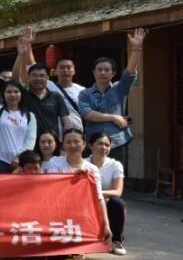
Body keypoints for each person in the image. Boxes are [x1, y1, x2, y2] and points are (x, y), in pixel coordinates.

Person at [79, 28, 146, 160]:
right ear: (93, 72)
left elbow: (130, 71)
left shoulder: (120, 88)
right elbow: (88, 114)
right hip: (93, 143)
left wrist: (136, 49)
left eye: (106, 70)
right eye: (99, 70)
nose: (103, 73)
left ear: (113, 73)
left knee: (117, 172)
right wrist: (114, 117)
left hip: (117, 142)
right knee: (93, 173)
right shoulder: (85, 93)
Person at [43, 128, 112, 245]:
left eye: (76, 141)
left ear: (84, 144)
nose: (72, 145)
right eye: (68, 142)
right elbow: (53, 189)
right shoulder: (54, 162)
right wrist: (75, 178)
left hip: (82, 212)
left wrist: (106, 225)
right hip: (58, 210)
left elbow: (99, 198)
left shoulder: (92, 169)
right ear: (63, 145)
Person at [0, 51, 37, 173]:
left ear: (21, 94)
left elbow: (30, 141)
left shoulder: (29, 116)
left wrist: (19, 158)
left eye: (16, 92)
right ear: (3, 95)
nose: (12, 95)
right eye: (9, 92)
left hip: (20, 162)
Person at [87, 131, 126, 255]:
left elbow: (118, 191)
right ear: (90, 146)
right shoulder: (83, 164)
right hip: (87, 202)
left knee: (117, 202)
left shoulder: (116, 165)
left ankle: (117, 241)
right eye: (100, 144)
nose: (104, 147)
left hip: (107, 202)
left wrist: (98, 193)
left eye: (107, 145)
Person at [48, 57, 85, 131]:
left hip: (76, 132)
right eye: (62, 67)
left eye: (68, 67)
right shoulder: (48, 86)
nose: (65, 70)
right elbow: (32, 69)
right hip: (54, 133)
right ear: (56, 71)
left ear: (74, 71)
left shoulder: (82, 91)